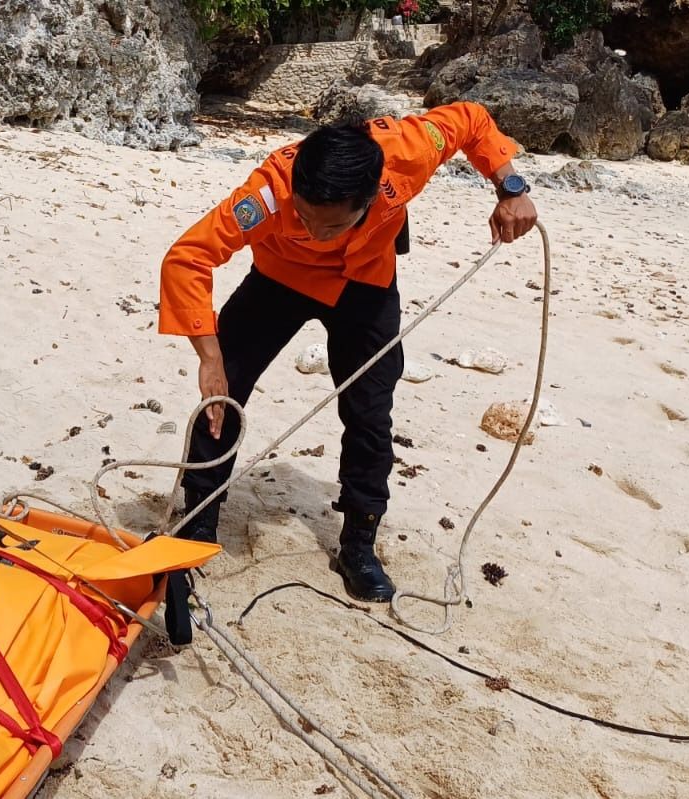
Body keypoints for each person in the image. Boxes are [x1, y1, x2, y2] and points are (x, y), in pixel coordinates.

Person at [157, 102, 539, 602]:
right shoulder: (270, 191)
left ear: (367, 199)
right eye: (307, 219)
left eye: (331, 226)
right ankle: (197, 524)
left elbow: (471, 119)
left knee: (369, 416)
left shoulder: (408, 151)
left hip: (367, 285)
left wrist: (511, 186)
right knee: (223, 397)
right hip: (278, 278)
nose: (316, 233)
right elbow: (188, 257)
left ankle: (359, 542)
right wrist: (209, 358)